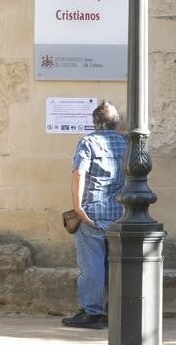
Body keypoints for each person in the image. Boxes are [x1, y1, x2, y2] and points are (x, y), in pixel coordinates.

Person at [62, 100, 127, 330]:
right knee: (115, 266)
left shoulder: (88, 142)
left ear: (94, 122)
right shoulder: (126, 142)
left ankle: (93, 313)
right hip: (120, 215)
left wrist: (78, 208)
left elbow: (79, 173)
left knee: (92, 267)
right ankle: (115, 310)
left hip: (92, 215)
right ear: (116, 123)